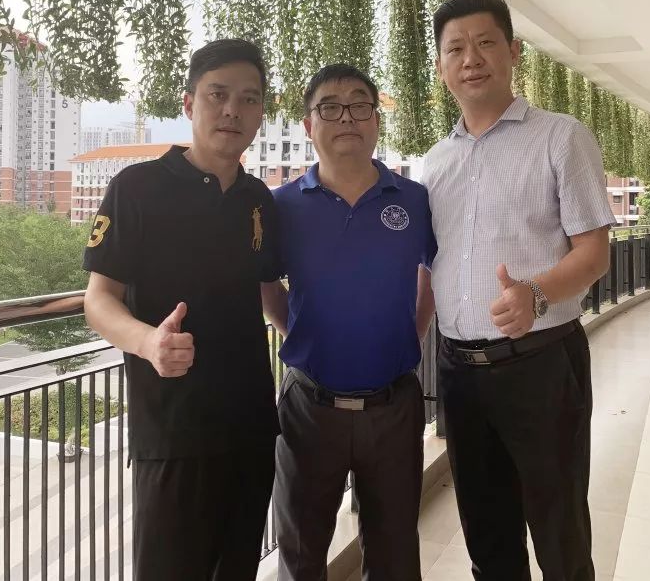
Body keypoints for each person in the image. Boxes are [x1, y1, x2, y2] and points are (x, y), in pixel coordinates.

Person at [421, 0, 614, 581]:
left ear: (513, 51)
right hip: (459, 372)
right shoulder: (434, 162)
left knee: (560, 537)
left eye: (485, 43)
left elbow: (594, 252)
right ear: (441, 66)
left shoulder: (561, 136)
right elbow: (430, 266)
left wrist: (536, 294)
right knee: (488, 540)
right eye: (456, 48)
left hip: (540, 364)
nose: (471, 58)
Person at [83, 39, 280, 581]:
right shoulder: (136, 188)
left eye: (249, 99)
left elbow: (269, 292)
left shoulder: (258, 200)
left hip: (251, 429)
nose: (232, 110)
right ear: (190, 103)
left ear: (261, 113)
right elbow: (98, 300)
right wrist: (148, 342)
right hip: (173, 432)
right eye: (218, 95)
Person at [261, 64, 437, 581]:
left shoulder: (414, 199)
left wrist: (412, 331)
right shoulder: (281, 205)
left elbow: (432, 272)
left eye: (361, 105)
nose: (347, 118)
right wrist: (305, 338)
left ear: (376, 120)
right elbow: (268, 288)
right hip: (309, 408)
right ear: (308, 125)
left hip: (394, 406)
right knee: (300, 555)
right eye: (330, 107)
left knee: (395, 554)